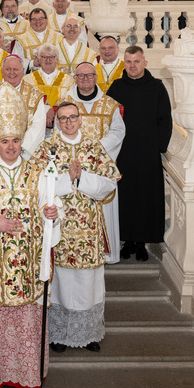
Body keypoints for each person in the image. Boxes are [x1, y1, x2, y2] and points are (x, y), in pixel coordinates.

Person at [0, 82, 62, 388]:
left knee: (27, 320)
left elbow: (51, 204)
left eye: (16, 141)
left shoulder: (39, 172)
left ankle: (28, 376)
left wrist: (52, 214)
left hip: (29, 262)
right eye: (5, 141)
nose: (11, 147)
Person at [39, 101, 121, 354]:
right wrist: (67, 179)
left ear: (80, 119)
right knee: (61, 280)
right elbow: (37, 185)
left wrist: (82, 178)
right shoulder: (47, 148)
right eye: (63, 118)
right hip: (59, 225)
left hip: (88, 226)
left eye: (72, 117)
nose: (69, 122)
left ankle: (88, 334)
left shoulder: (94, 147)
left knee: (88, 281)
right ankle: (59, 335)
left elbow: (110, 184)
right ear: (57, 122)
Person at [106, 46, 172, 261]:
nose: (132, 65)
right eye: (128, 61)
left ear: (145, 63)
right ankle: (127, 240)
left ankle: (142, 242)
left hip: (147, 153)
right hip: (122, 153)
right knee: (125, 198)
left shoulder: (157, 87)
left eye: (136, 61)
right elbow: (106, 118)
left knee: (145, 198)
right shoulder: (116, 88)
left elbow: (165, 120)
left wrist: (158, 148)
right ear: (123, 64)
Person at [66, 61, 125, 263]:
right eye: (81, 76)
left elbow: (118, 131)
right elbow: (59, 131)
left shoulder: (110, 104)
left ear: (96, 77)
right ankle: (77, 253)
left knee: (104, 209)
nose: (85, 79)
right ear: (75, 78)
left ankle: (106, 255)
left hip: (100, 167)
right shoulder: (67, 104)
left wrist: (95, 149)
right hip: (75, 166)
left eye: (89, 75)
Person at [0, 55, 47, 156]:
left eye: (15, 69)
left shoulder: (35, 95)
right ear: (2, 71)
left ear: (23, 71)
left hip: (24, 153)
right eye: (8, 69)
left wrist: (20, 148)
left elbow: (38, 126)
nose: (12, 73)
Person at [24, 44, 68, 136]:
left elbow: (69, 101)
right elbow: (26, 103)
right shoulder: (27, 80)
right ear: (39, 59)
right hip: (34, 127)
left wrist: (54, 112)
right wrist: (45, 110)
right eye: (44, 57)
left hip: (60, 126)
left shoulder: (68, 81)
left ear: (57, 60)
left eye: (52, 57)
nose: (48, 60)